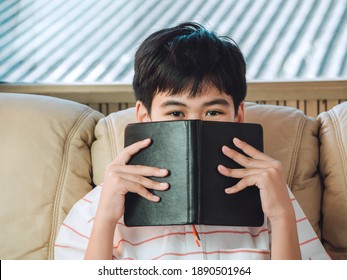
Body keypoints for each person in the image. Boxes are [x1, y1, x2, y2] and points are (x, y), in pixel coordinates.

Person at [54, 22, 330, 260]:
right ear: (145, 116)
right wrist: (105, 218)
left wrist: (281, 216)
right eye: (175, 112)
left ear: (238, 116)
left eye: (213, 112)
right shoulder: (102, 201)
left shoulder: (271, 190)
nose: (196, 125)